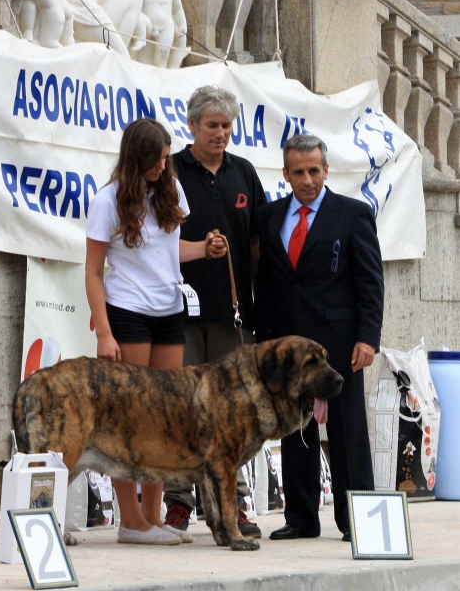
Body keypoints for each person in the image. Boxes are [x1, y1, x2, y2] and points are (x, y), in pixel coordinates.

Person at [85, 117, 226, 545]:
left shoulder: (171, 189)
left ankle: (153, 516)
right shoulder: (107, 200)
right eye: (156, 159)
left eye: (166, 157)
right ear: (136, 157)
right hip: (127, 310)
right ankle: (130, 521)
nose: (164, 166)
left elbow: (169, 249)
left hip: (169, 310)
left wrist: (204, 248)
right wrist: (105, 333)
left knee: (164, 418)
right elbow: (92, 272)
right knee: (127, 417)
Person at [255, 133, 384, 542]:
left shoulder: (352, 215)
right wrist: (263, 341)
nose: (307, 179)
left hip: (339, 346)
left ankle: (357, 520)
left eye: (314, 170)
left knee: (347, 433)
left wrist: (368, 337)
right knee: (296, 431)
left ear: (326, 170)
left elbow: (370, 282)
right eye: (299, 171)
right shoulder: (270, 217)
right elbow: (267, 283)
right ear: (286, 173)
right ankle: (302, 518)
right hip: (288, 351)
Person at [163, 85, 267, 538]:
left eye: (226, 125)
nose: (220, 133)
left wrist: (259, 306)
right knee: (180, 408)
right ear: (192, 126)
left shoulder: (244, 172)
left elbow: (260, 244)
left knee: (233, 413)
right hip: (177, 312)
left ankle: (234, 503)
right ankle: (179, 504)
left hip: (233, 316)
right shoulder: (169, 169)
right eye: (212, 125)